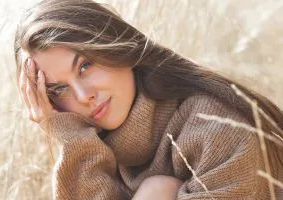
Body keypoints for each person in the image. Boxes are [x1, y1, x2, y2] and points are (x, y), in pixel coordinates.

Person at [14, 0, 283, 199]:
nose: (84, 97)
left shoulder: (215, 129)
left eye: (85, 66)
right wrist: (72, 139)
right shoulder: (99, 148)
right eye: (59, 89)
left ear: (116, 44)